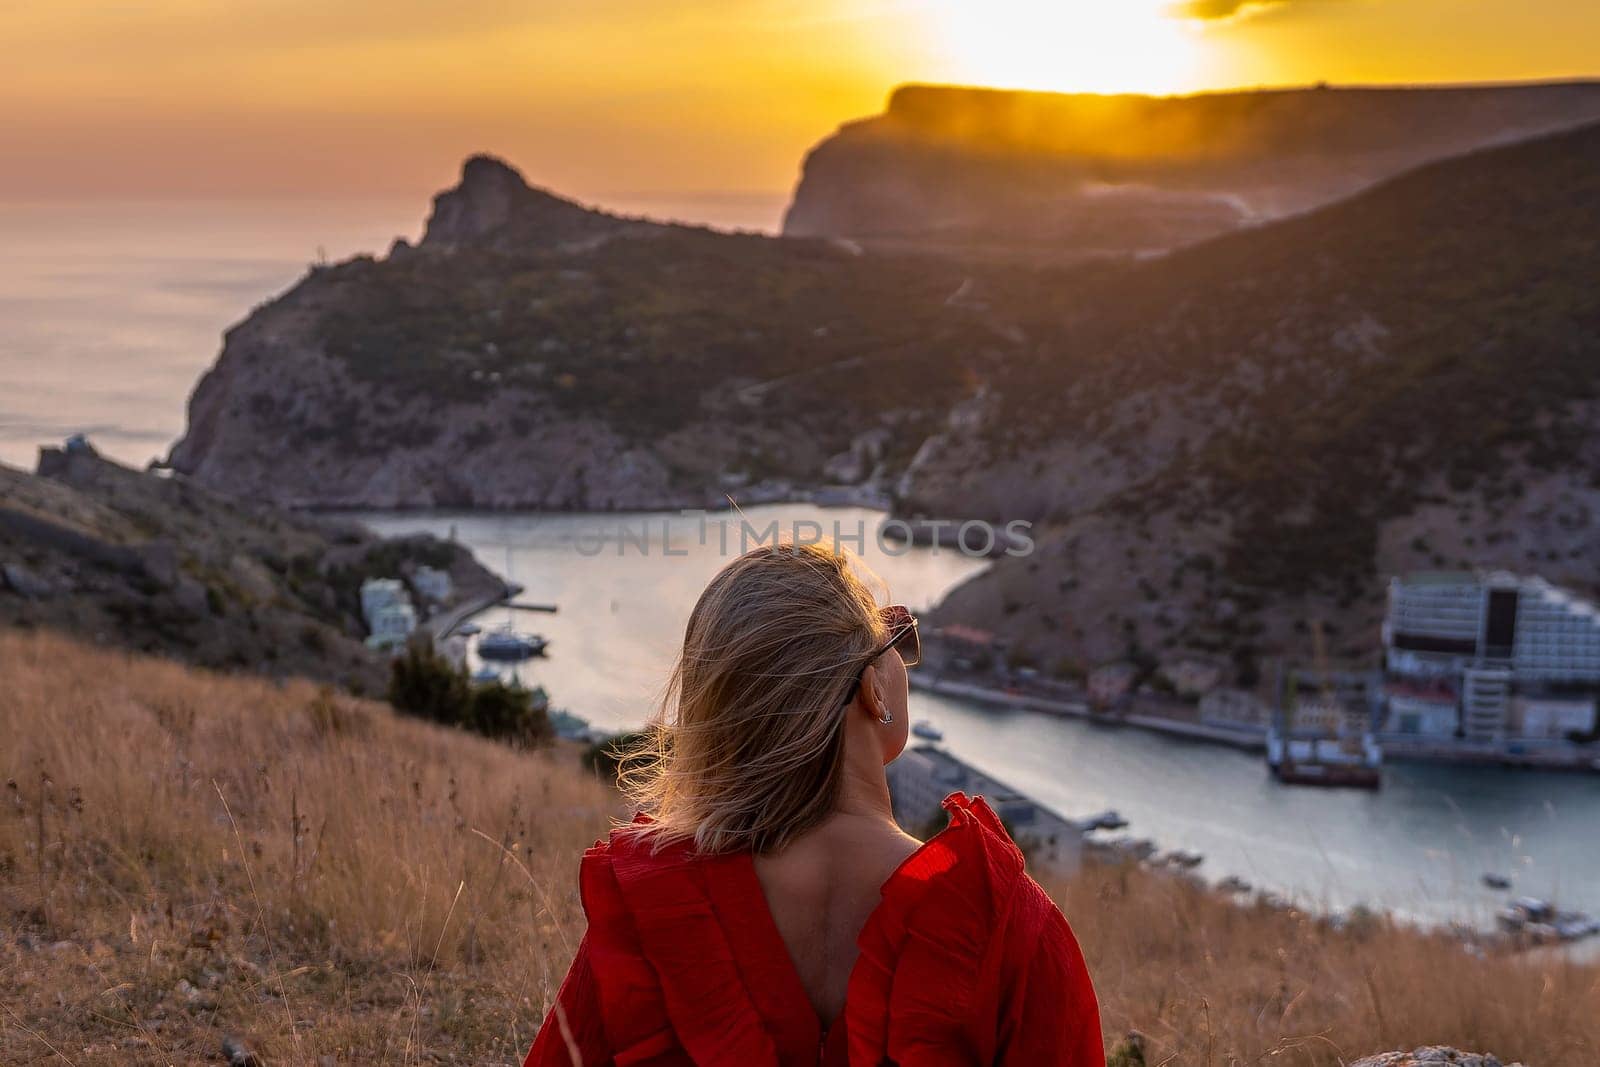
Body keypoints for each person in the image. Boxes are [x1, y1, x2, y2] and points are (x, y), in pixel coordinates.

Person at [525, 542, 1102, 1066]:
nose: (909, 663)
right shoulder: (1010, 929)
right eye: (898, 641)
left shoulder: (653, 910)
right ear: (873, 687)